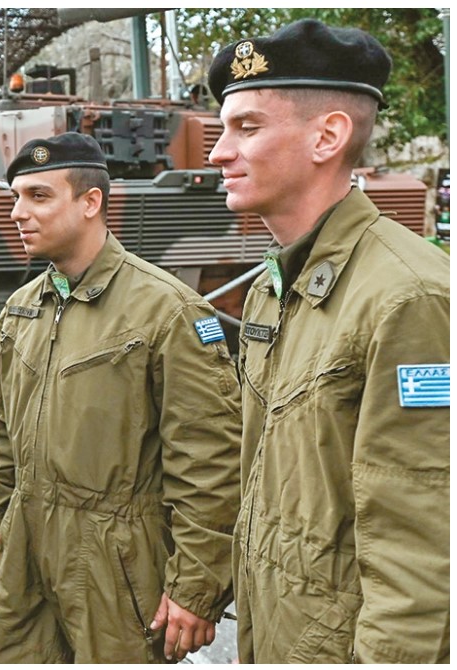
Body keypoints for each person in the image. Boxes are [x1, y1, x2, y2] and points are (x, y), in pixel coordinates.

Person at [207, 19, 450, 664]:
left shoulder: (409, 296)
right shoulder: (274, 286)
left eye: (247, 127)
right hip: (282, 629)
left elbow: (421, 546)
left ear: (328, 137)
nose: (218, 152)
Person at [0, 132, 242, 663]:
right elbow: (5, 423)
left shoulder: (166, 311)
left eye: (39, 196)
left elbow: (209, 461)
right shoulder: (23, 309)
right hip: (26, 547)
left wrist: (197, 587)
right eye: (16, 197)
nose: (18, 213)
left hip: (116, 561)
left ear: (90, 202)